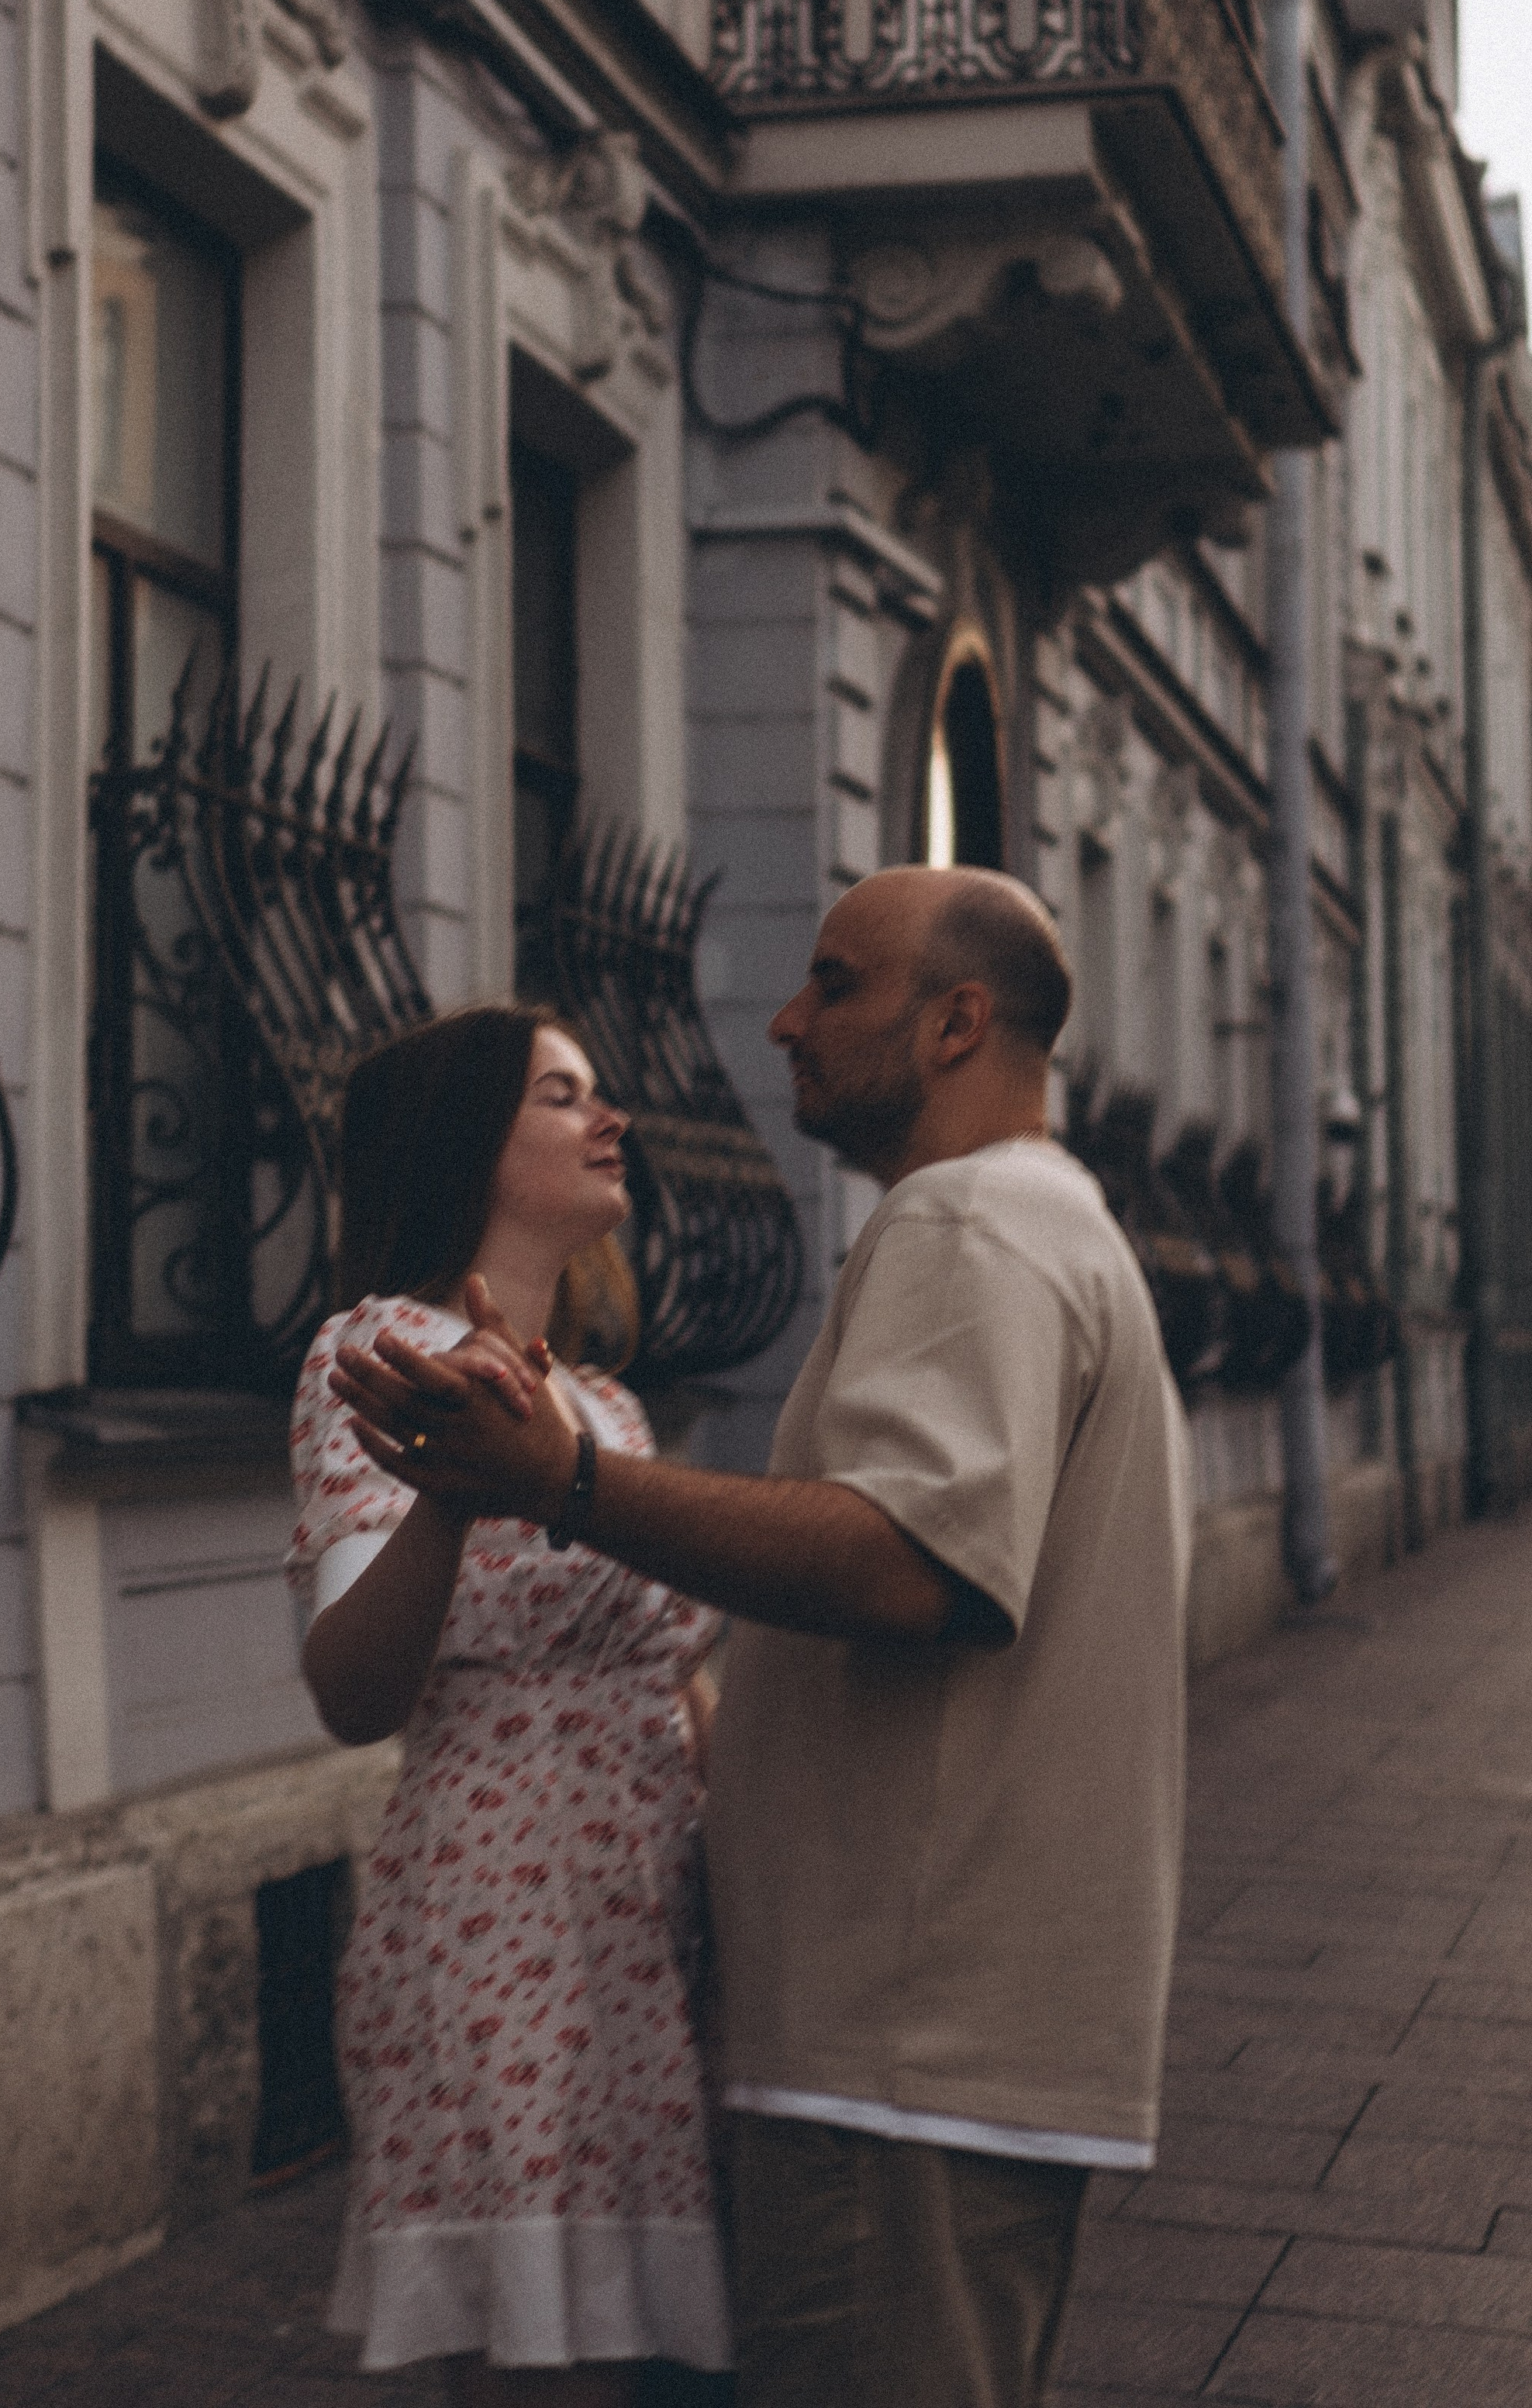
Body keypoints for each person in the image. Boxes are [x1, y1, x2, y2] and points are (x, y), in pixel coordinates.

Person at [333, 868, 1191, 2408]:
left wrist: (569, 1480)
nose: (783, 1022)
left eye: (833, 985)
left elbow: (907, 1565)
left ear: (954, 1023)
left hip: (902, 2035)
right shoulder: (1040, 1220)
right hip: (915, 2032)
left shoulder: (966, 1227)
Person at [287, 1002, 732, 2406]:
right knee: (552, 2350)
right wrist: (445, 1496)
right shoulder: (381, 1355)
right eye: (561, 1095)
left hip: (649, 1902)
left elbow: (679, 1669)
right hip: (506, 1905)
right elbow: (355, 1692)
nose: (610, 1122)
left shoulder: (609, 1404)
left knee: (665, 2341)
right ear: (464, 1145)